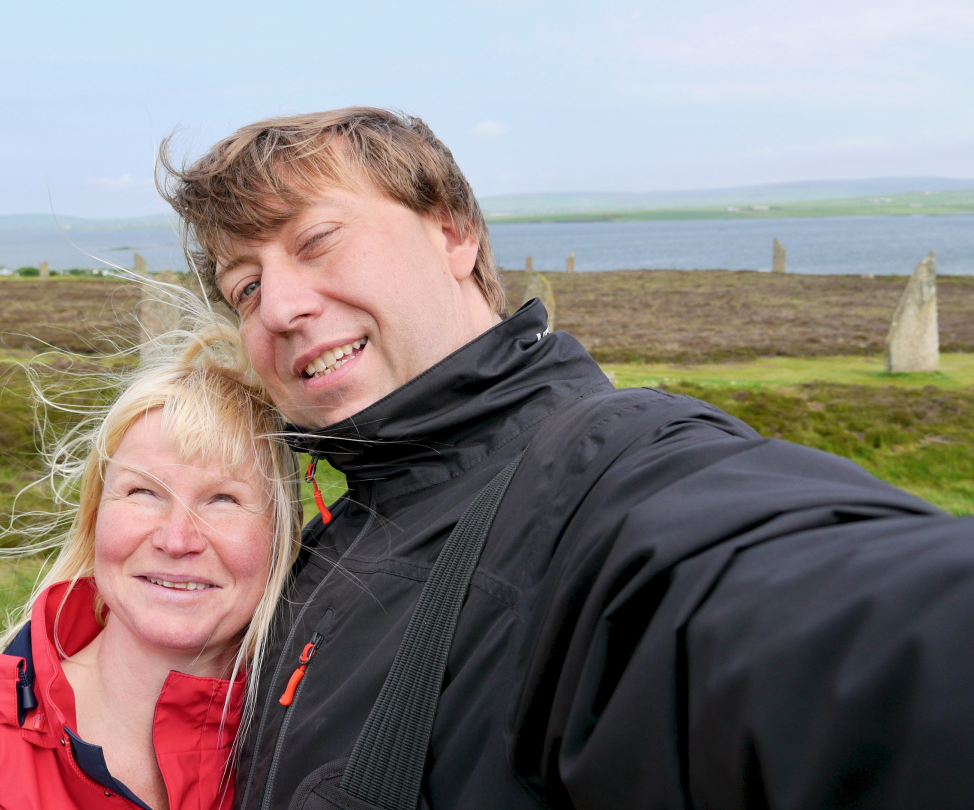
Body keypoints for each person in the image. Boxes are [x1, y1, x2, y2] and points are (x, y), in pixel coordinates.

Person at [160, 107, 974, 809]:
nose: (283, 307)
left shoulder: (609, 475)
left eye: (317, 241)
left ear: (453, 232)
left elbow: (831, 621)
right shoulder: (331, 532)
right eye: (246, 288)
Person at [0, 321, 303, 810]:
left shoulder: (321, 739)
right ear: (94, 519)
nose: (176, 539)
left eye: (223, 499)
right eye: (143, 492)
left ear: (282, 536)